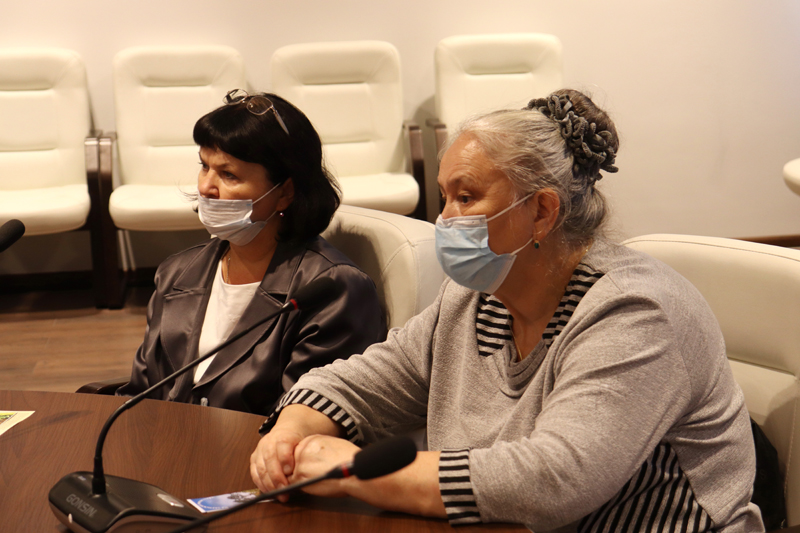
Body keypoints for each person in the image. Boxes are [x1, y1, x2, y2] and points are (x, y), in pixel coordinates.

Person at [248, 89, 764, 532]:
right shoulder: (475, 296)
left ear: (542, 211)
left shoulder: (635, 312)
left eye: (466, 197)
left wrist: (359, 472)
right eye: (444, 197)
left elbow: (556, 478)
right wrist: (293, 429)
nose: (445, 220)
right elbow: (370, 381)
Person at [117, 89, 386, 416]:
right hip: (161, 441)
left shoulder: (333, 289)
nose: (205, 187)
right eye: (204, 166)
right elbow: (138, 394)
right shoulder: (176, 273)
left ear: (285, 192)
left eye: (228, 174)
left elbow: (307, 419)